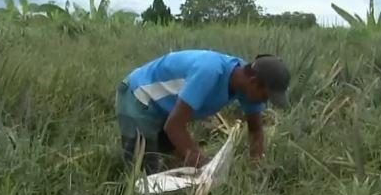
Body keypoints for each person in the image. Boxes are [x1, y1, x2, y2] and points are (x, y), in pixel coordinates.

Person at [115, 49, 291, 174]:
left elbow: (255, 129)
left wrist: (256, 166)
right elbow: (174, 126)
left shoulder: (245, 86)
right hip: (139, 95)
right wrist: (205, 168)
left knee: (176, 165)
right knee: (144, 176)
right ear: (253, 81)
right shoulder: (209, 72)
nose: (264, 102)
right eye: (265, 96)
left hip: (166, 107)